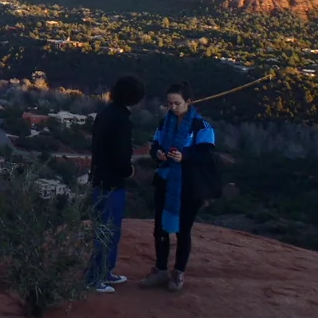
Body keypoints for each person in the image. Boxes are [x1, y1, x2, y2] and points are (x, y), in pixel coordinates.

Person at [140, 82, 219, 293]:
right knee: (160, 228)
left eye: (177, 103)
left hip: (189, 185)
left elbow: (206, 154)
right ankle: (160, 269)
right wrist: (157, 153)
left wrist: (185, 156)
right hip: (165, 180)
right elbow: (155, 144)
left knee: (183, 231)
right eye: (170, 104)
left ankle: (178, 271)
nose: (173, 108)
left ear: (189, 102)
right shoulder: (164, 123)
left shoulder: (201, 127)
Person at [85, 74, 145, 293]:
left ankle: (105, 272)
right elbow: (119, 157)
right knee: (107, 231)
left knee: (107, 230)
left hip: (100, 179)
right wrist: (128, 170)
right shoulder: (122, 121)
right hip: (111, 183)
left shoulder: (105, 113)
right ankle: (94, 278)